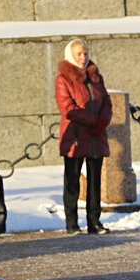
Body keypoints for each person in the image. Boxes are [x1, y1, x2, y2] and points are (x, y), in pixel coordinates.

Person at [55, 38, 112, 235]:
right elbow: (68, 108)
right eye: (79, 54)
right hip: (75, 137)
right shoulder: (63, 79)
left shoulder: (96, 76)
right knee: (72, 181)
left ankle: (94, 222)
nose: (83, 57)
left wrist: (101, 123)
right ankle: (72, 223)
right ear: (71, 55)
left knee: (95, 182)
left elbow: (106, 101)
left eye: (85, 53)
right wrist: (94, 122)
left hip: (96, 137)